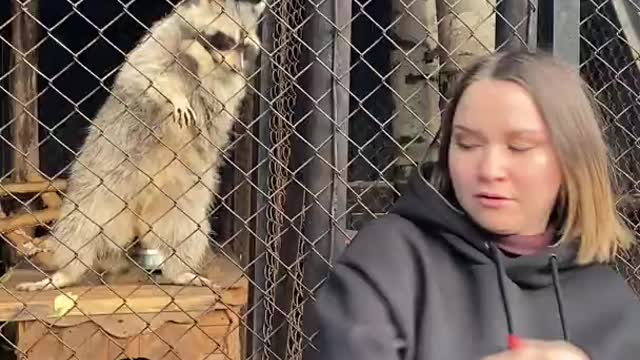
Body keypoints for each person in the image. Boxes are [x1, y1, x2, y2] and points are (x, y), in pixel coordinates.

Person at [303, 50, 640, 359]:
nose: (490, 170)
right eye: (467, 144)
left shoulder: (612, 304)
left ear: (572, 160)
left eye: (520, 147)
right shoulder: (389, 262)